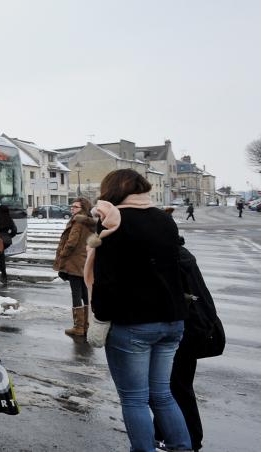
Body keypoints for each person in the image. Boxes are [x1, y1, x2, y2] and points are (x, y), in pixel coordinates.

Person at [85, 169, 191, 451]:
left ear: (112, 190)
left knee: (134, 399)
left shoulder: (114, 222)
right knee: (163, 394)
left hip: (133, 323)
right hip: (172, 319)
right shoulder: (164, 219)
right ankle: (182, 447)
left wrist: (99, 317)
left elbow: (106, 279)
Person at [153, 236, 217, 451]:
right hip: (195, 327)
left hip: (184, 329)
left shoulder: (170, 258)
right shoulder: (180, 252)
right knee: (176, 387)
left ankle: (187, 439)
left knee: (173, 388)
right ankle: (169, 435)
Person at [53, 198, 96, 338]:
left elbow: (71, 242)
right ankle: (87, 326)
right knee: (85, 294)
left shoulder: (78, 221)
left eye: (76, 207)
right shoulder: (90, 222)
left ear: (83, 208)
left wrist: (62, 256)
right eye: (72, 206)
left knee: (76, 293)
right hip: (85, 261)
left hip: (74, 262)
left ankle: (78, 327)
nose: (72, 209)